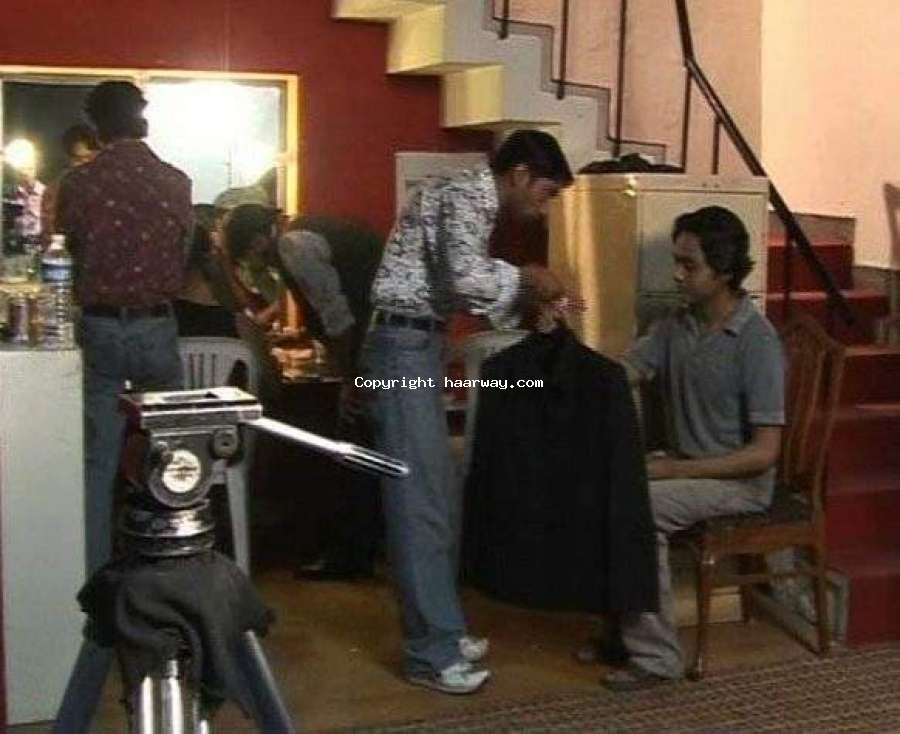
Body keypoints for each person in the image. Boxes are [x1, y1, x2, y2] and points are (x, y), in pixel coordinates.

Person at [360, 129, 575, 695]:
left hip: (414, 344)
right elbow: (466, 280)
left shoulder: (464, 195)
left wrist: (524, 291)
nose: (542, 209)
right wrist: (528, 278)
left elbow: (464, 283)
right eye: (546, 194)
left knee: (436, 495)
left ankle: (446, 631)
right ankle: (430, 654)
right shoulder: (466, 195)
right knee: (419, 504)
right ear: (520, 175)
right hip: (402, 349)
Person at [588, 205, 785, 691]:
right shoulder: (677, 324)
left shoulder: (756, 342)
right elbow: (625, 372)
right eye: (676, 261)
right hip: (687, 468)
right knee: (599, 487)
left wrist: (674, 469)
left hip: (740, 482)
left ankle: (656, 658)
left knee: (641, 507)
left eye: (688, 265)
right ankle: (622, 633)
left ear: (724, 271)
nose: (677, 274)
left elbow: (764, 453)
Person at [58, 80, 192, 574]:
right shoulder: (176, 181)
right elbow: (182, 252)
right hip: (156, 324)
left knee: (98, 461)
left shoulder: (79, 183)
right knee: (169, 452)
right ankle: (168, 569)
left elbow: (65, 253)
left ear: (96, 127)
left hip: (101, 326)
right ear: (142, 119)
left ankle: (93, 576)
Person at [222, 207, 385, 578]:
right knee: (361, 441)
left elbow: (338, 317)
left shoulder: (293, 246)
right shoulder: (307, 234)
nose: (255, 266)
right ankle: (360, 547)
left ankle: (350, 554)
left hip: (374, 341)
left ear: (258, 241)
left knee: (351, 443)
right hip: (377, 336)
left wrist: (350, 378)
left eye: (249, 257)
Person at [41, 123, 100, 242]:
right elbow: (50, 235)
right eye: (79, 159)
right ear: (70, 159)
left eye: (90, 159)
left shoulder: (110, 188)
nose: (86, 165)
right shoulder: (55, 191)